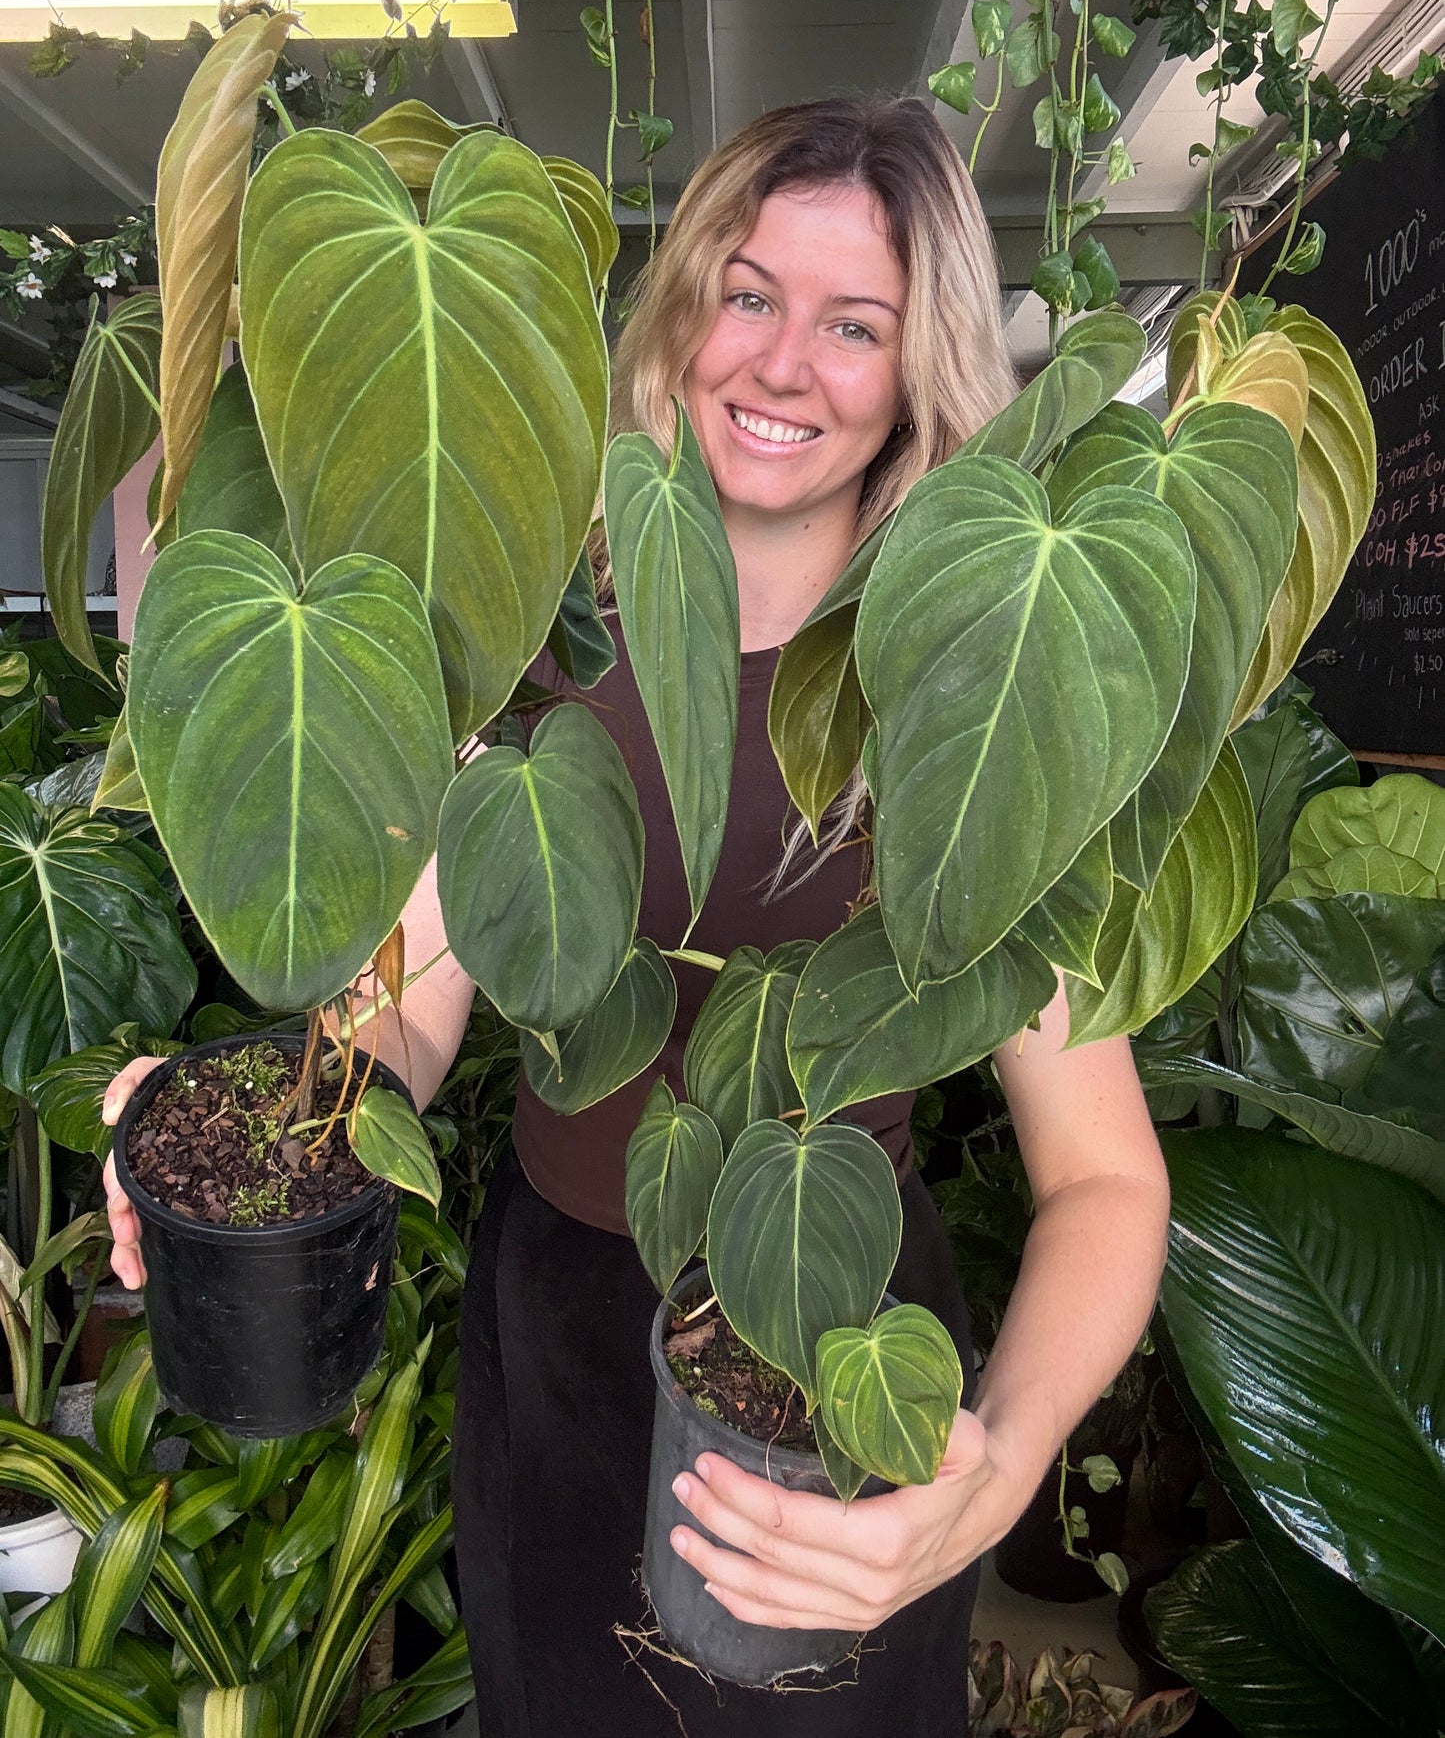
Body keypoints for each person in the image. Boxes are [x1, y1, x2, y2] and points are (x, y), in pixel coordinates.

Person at [102, 96, 1170, 1737]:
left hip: (830, 1349)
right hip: (565, 1345)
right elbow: (405, 1001)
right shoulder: (526, 634)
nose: (782, 362)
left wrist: (995, 1469)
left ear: (914, 375)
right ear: (677, 308)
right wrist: (242, 1135)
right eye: (746, 292)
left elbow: (1102, 1174)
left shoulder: (969, 684)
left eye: (854, 324)